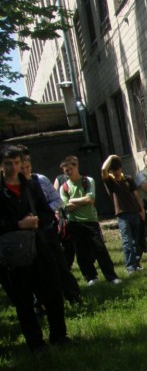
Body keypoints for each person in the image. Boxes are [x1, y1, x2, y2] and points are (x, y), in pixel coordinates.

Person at [1, 145, 69, 352]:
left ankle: (59, 336)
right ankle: (35, 342)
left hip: (38, 243)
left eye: (17, 163)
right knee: (23, 298)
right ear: (1, 165)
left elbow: (46, 212)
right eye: (8, 163)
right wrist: (18, 224)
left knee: (53, 290)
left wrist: (37, 219)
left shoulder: (31, 186)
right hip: (13, 250)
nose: (13, 167)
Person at [20, 152, 82, 304]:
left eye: (27, 167)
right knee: (35, 268)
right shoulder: (13, 186)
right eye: (22, 168)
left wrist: (44, 212)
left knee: (59, 263)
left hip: (46, 228)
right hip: (26, 233)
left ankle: (73, 296)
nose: (25, 170)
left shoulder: (39, 180)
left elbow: (57, 200)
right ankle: (40, 301)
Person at [58, 155, 121, 285]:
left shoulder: (88, 180)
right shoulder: (63, 187)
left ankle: (111, 276)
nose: (68, 172)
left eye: (70, 169)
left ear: (76, 166)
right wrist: (81, 201)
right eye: (66, 171)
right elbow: (65, 207)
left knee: (100, 249)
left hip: (90, 221)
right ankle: (91, 277)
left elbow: (90, 199)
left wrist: (72, 201)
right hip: (74, 223)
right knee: (82, 252)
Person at [101, 155, 146, 274]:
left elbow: (136, 194)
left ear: (121, 168)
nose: (116, 172)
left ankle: (136, 264)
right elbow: (103, 170)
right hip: (122, 214)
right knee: (127, 241)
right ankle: (130, 267)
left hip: (135, 212)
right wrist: (111, 157)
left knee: (136, 241)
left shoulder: (128, 179)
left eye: (117, 169)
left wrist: (141, 209)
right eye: (113, 170)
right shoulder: (110, 181)